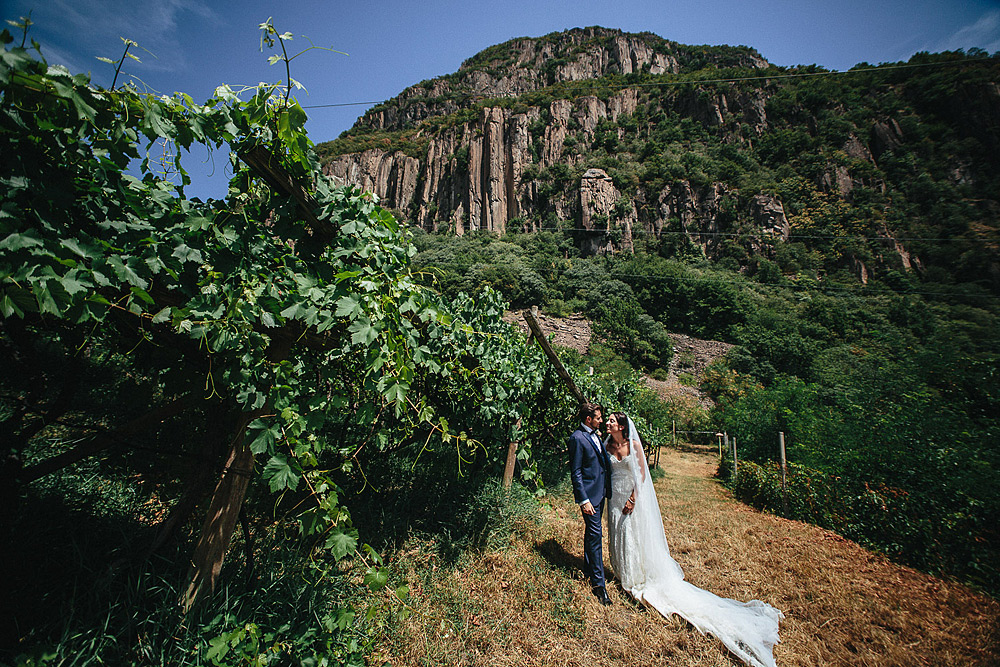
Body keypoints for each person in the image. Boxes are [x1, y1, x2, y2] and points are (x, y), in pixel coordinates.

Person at [604, 411, 784, 667]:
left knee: (633, 534)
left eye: (611, 420)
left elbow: (642, 475)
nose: (607, 423)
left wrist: (633, 498)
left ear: (622, 426)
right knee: (619, 533)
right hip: (614, 497)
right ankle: (624, 573)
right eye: (607, 420)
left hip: (630, 496)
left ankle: (637, 576)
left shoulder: (633, 445)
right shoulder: (607, 444)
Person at [568, 402, 613, 605]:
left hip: (600, 493)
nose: (601, 421)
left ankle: (588, 569)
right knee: (596, 536)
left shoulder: (595, 435)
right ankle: (599, 585)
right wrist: (583, 500)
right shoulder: (577, 438)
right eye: (598, 418)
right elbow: (576, 472)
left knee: (591, 534)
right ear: (588, 419)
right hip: (589, 498)